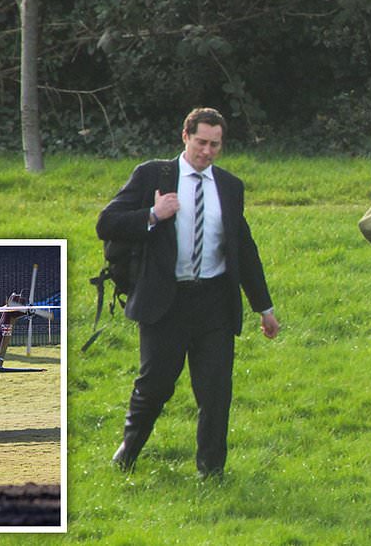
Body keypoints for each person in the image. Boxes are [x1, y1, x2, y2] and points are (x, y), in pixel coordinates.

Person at [97, 107, 279, 479]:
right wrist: (152, 214)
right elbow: (107, 223)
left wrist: (264, 307)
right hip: (166, 302)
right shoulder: (154, 175)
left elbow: (244, 249)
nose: (207, 151)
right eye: (201, 142)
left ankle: (211, 472)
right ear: (185, 137)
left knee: (215, 393)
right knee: (155, 387)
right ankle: (127, 454)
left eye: (215, 145)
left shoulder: (229, 187)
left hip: (213, 303)